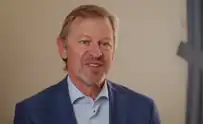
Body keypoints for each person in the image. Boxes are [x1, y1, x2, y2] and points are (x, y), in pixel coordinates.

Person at [13, 4, 161, 124]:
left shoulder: (144, 110)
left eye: (105, 44)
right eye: (85, 42)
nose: (96, 53)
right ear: (63, 48)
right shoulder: (31, 113)